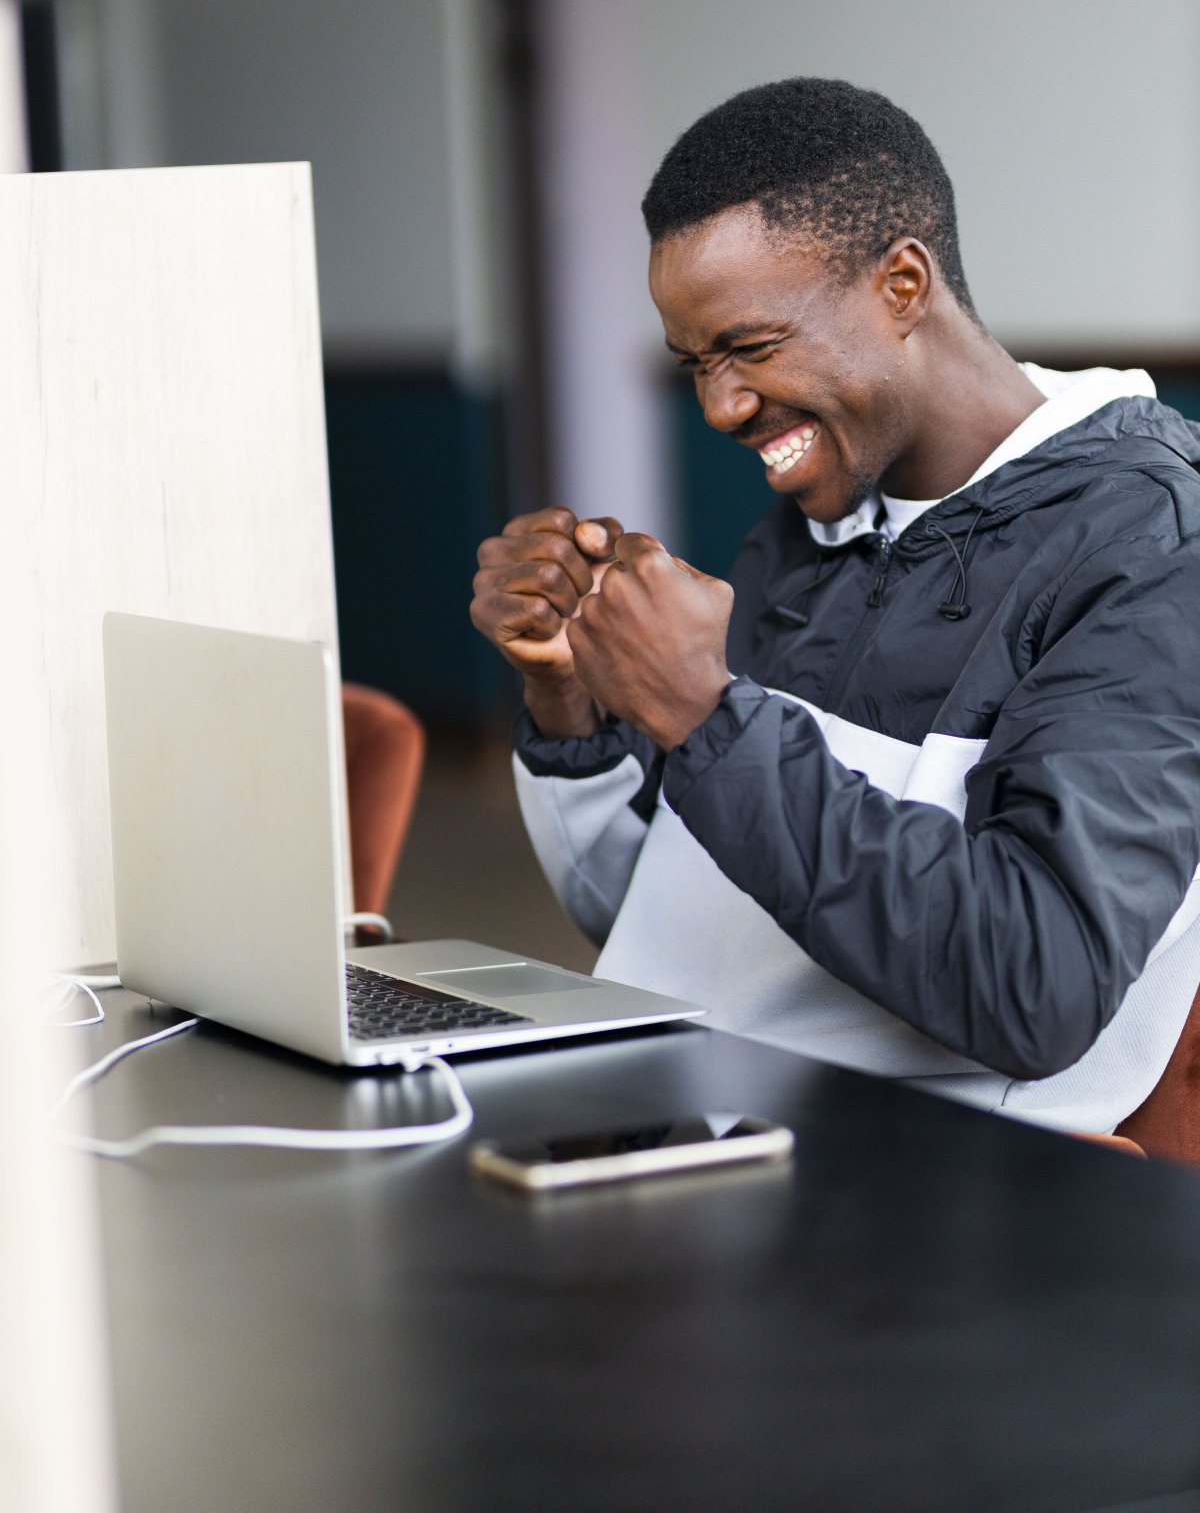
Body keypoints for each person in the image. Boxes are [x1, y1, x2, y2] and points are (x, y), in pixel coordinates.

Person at [470, 77, 1200, 1133]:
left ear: (904, 284)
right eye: (694, 364)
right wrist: (571, 707)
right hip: (705, 1113)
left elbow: (1036, 987)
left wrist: (709, 720)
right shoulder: (821, 518)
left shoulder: (1145, 544)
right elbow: (680, 930)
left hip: (925, 1190)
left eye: (751, 348)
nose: (719, 406)